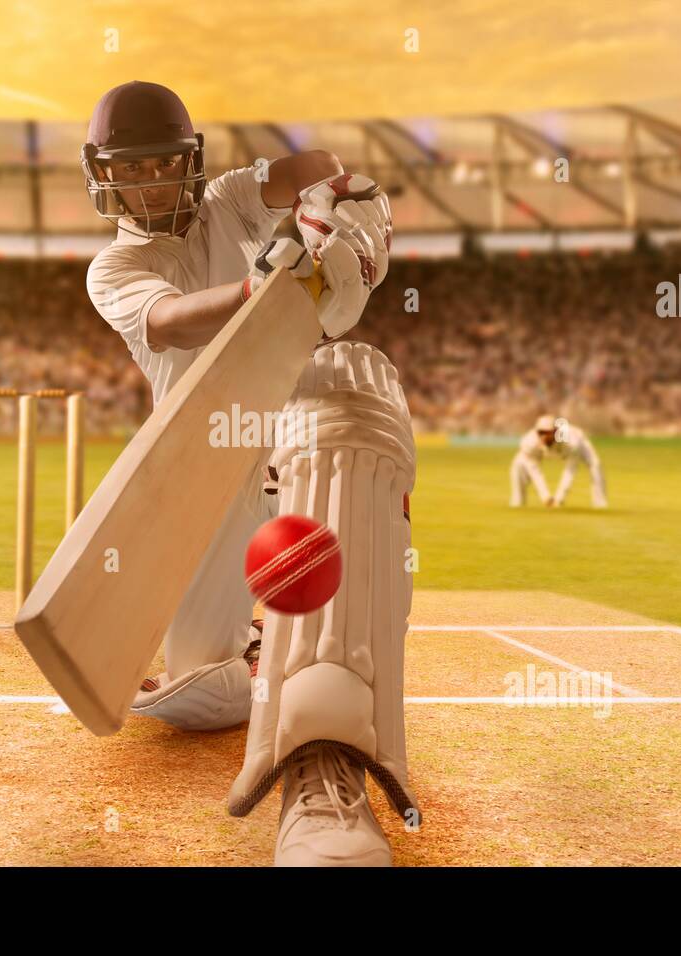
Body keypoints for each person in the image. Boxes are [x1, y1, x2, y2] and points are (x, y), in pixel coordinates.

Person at [82, 80, 415, 866]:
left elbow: (314, 165)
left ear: (190, 163)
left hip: (301, 419)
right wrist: (271, 282)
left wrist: (332, 200)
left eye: (166, 164)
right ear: (106, 178)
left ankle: (324, 763)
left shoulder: (230, 199)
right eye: (134, 171)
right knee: (201, 693)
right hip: (205, 459)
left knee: (349, 385)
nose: (152, 181)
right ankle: (257, 655)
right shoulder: (118, 266)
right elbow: (168, 321)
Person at [509, 414, 607, 508]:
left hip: (580, 444)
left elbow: (570, 471)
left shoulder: (571, 442)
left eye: (547, 432)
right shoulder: (529, 442)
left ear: (555, 431)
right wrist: (546, 497)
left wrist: (559, 499)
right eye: (540, 433)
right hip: (544, 451)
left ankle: (600, 504)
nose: (543, 436)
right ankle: (517, 503)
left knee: (596, 465)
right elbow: (534, 470)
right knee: (518, 464)